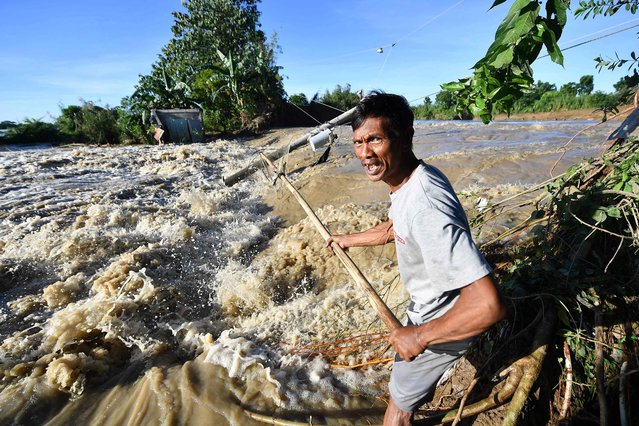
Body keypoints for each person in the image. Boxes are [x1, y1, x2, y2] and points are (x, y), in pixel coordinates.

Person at [327, 91, 506, 425]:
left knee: (397, 410)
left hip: (445, 321)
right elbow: (397, 226)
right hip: (431, 313)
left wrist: (419, 336)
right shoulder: (412, 179)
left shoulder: (427, 205)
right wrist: (346, 240)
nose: (365, 153)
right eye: (358, 142)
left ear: (405, 138)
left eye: (376, 140)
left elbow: (488, 304)